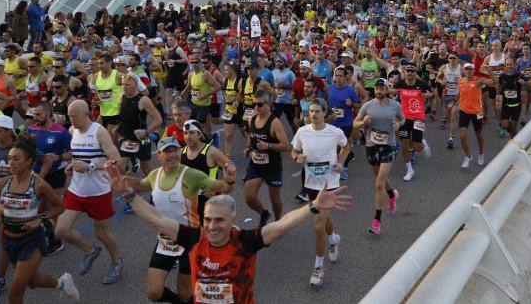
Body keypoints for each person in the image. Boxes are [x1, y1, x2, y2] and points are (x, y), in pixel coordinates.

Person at [106, 160, 351, 304]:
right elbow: (156, 219)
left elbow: (281, 225)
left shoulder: (245, 241)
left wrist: (314, 207)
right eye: (208, 220)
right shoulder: (194, 238)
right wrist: (126, 192)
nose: (212, 226)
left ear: (232, 219)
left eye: (219, 221)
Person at [121, 136, 236, 303]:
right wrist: (122, 179)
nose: (172, 154)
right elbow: (141, 185)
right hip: (165, 240)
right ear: (158, 155)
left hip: (190, 240)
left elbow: (224, 188)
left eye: (175, 150)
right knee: (154, 293)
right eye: (167, 151)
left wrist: (230, 178)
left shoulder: (192, 175)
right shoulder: (155, 175)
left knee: (185, 293)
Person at [0, 134, 79, 303]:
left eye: (16, 159)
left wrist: (40, 218)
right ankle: (62, 283)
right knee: (32, 281)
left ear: (29, 161)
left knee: (14, 293)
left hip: (31, 241)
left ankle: (61, 283)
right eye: (10, 158)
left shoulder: (39, 184)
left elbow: (60, 206)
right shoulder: (2, 183)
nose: (11, 162)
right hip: (8, 240)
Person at [55, 100, 124, 285]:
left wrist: (91, 166)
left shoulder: (99, 132)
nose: (71, 120)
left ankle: (116, 261)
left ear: (85, 114)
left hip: (98, 192)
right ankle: (89, 250)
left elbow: (116, 160)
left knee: (102, 234)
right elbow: (78, 157)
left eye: (74, 116)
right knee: (61, 229)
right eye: (69, 116)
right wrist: (71, 166)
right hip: (76, 190)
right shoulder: (72, 131)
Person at [290, 97, 348, 286]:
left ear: (324, 113)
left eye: (316, 111)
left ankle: (318, 266)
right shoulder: (302, 131)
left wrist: (340, 162)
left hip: (330, 183)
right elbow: (294, 151)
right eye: (310, 111)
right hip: (311, 184)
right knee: (324, 220)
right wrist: (297, 157)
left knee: (317, 225)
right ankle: (333, 239)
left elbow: (346, 145)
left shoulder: (334, 132)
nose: (312, 115)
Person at [354, 78, 403, 235]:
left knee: (379, 184)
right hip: (371, 146)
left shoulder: (395, 105)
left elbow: (403, 118)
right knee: (380, 179)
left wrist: (399, 124)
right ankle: (392, 194)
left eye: (382, 88)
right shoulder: (368, 106)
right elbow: (355, 122)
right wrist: (362, 123)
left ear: (387, 89)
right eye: (377, 88)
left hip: (388, 146)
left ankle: (376, 222)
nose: (379, 90)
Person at [27, 102, 71, 256]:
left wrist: (59, 156)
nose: (35, 117)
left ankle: (57, 240)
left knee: (54, 208)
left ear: (48, 113)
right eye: (34, 114)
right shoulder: (31, 129)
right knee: (39, 208)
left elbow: (73, 151)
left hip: (56, 174)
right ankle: (44, 235)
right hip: (37, 174)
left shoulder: (61, 132)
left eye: (38, 114)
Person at [244, 90, 290, 227]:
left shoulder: (274, 122)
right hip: (256, 165)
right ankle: (264, 213)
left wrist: (268, 145)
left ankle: (277, 221)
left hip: (272, 167)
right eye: (254, 104)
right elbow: (251, 135)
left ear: (268, 104)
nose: (256, 107)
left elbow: (286, 146)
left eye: (259, 104)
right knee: (249, 197)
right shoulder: (252, 118)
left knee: (274, 199)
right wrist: (248, 147)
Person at [181, 120, 234, 223]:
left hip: (211, 201)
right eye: (185, 133)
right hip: (192, 202)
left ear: (199, 134)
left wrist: (217, 187)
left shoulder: (211, 152)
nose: (188, 136)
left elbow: (231, 168)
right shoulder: (181, 152)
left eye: (191, 133)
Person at [392, 64, 433, 182]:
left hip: (418, 118)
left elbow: (433, 93)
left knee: (417, 146)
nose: (410, 73)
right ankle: (410, 170)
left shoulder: (422, 85)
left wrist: (429, 95)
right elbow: (393, 91)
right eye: (408, 71)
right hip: (404, 118)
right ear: (405, 72)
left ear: (415, 73)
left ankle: (423, 144)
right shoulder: (400, 84)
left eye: (412, 71)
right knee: (404, 144)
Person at [117, 75, 162, 178]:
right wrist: (118, 129)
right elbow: (125, 117)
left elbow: (158, 119)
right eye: (123, 84)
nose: (124, 87)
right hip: (127, 139)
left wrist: (145, 132)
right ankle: (130, 192)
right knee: (120, 168)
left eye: (127, 84)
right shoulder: (122, 97)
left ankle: (157, 188)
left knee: (145, 167)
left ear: (136, 85)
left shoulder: (143, 100)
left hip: (141, 138)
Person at [457, 63, 495, 169]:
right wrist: (454, 103)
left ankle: (481, 153)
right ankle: (468, 156)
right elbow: (460, 93)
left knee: (478, 134)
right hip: (464, 111)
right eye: (466, 69)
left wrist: (490, 72)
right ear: (464, 71)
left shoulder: (479, 80)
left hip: (477, 112)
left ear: (474, 70)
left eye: (471, 69)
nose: (468, 71)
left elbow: (494, 83)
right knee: (462, 136)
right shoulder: (460, 81)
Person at [327, 67, 359, 180]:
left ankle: (344, 168)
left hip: (345, 124)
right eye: (337, 75)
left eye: (341, 76)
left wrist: (351, 104)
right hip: (332, 123)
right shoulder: (330, 88)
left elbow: (358, 105)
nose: (338, 78)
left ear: (345, 77)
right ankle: (337, 164)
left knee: (343, 147)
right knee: (333, 147)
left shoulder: (350, 91)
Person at [91, 53, 124, 140]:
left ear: (109, 63)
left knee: (111, 140)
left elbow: (131, 87)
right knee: (96, 136)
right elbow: (96, 96)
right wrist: (95, 100)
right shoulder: (96, 76)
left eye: (102, 63)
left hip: (115, 112)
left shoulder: (118, 75)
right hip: (103, 113)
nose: (99, 66)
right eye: (98, 63)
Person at [497, 59, 524, 137]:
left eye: (511, 64)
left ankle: (514, 145)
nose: (509, 66)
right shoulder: (502, 76)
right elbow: (499, 86)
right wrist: (498, 96)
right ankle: (510, 130)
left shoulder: (519, 75)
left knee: (514, 129)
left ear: (514, 64)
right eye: (508, 64)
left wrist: (524, 82)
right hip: (506, 105)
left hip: (516, 105)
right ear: (505, 65)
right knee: (505, 125)